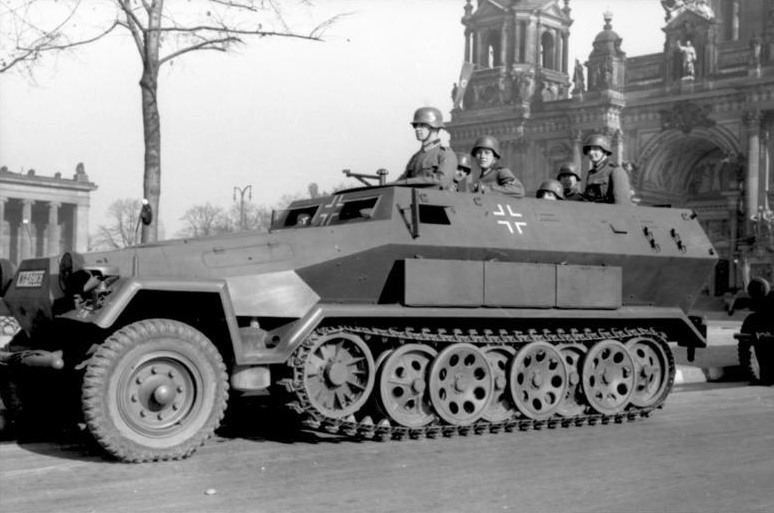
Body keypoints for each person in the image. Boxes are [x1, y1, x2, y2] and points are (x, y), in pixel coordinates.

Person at [393, 107, 456, 189]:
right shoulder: (415, 157)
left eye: (422, 125)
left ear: (434, 127)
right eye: (416, 125)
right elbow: (402, 180)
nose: (417, 129)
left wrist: (408, 182)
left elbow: (442, 181)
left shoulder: (445, 154)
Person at [582, 133, 632, 205]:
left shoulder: (616, 171)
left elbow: (622, 202)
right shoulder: (591, 173)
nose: (591, 152)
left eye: (595, 149)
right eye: (589, 149)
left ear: (604, 151)